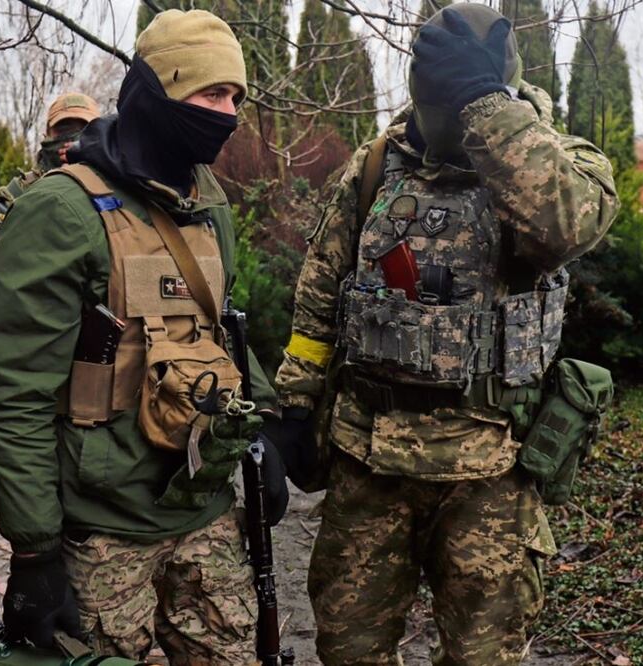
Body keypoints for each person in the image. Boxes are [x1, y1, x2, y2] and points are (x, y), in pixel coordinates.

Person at [265, 4, 620, 665]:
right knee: (348, 650)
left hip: (488, 476)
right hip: (368, 466)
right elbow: (318, 297)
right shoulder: (375, 168)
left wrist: (485, 106)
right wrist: (292, 403)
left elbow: (560, 225)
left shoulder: (562, 162)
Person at [0, 9, 287, 664]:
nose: (225, 113)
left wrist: (262, 433)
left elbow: (223, 328)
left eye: (234, 97)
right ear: (156, 92)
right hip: (102, 534)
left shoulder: (208, 201)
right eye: (209, 93)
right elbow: (14, 394)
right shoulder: (61, 210)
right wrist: (33, 551)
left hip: (202, 511)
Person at [0, 92, 101, 282]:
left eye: (83, 129)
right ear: (47, 135)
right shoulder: (18, 194)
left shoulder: (118, 189)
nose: (72, 138)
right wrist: (22, 215)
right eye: (63, 128)